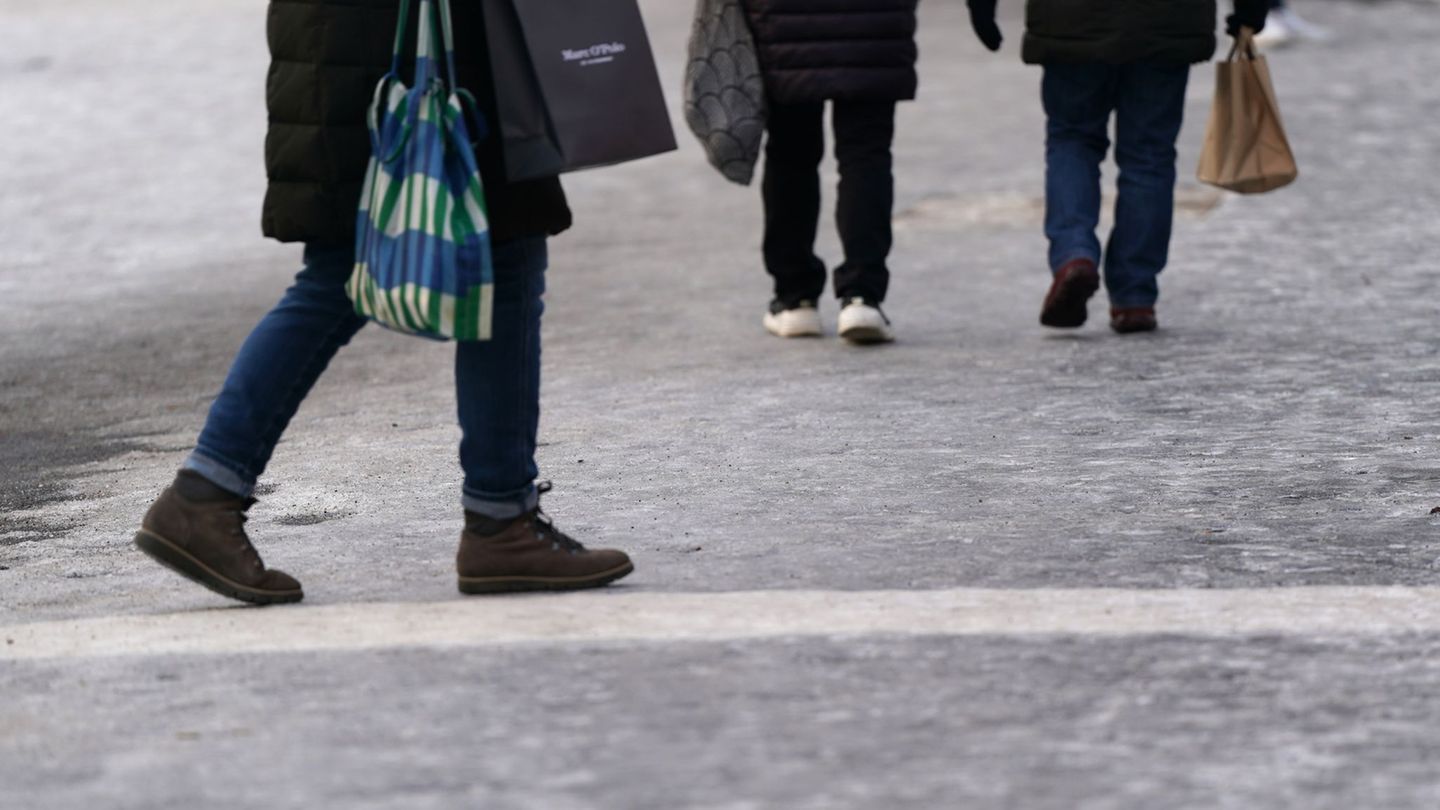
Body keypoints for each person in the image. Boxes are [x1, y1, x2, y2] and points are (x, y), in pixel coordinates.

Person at [132, 0, 633, 605]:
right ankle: (500, 521)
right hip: (411, 48)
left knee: (456, 260)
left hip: (357, 44)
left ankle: (208, 494)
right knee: (391, 268)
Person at [965, 0, 1269, 333]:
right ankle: (1134, 295)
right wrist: (1251, 7)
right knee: (1149, 154)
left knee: (1073, 139)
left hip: (1071, 21)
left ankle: (1074, 254)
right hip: (1167, 21)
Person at [742, 0, 920, 344]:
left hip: (783, 23)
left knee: (791, 153)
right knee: (866, 154)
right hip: (875, 23)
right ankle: (862, 296)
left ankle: (796, 300)